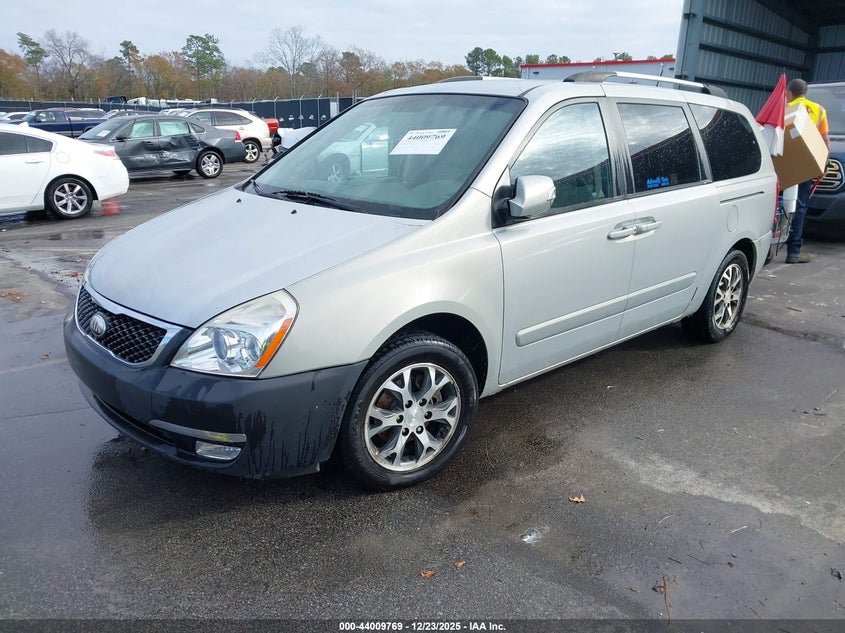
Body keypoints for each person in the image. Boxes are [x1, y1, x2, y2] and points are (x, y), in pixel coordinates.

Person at [784, 78, 830, 263]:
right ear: (805, 93)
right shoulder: (819, 110)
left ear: (790, 92)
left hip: (783, 164)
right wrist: (823, 164)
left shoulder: (785, 108)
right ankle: (793, 252)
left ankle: (769, 248)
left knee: (777, 204)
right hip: (805, 166)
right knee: (800, 206)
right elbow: (825, 140)